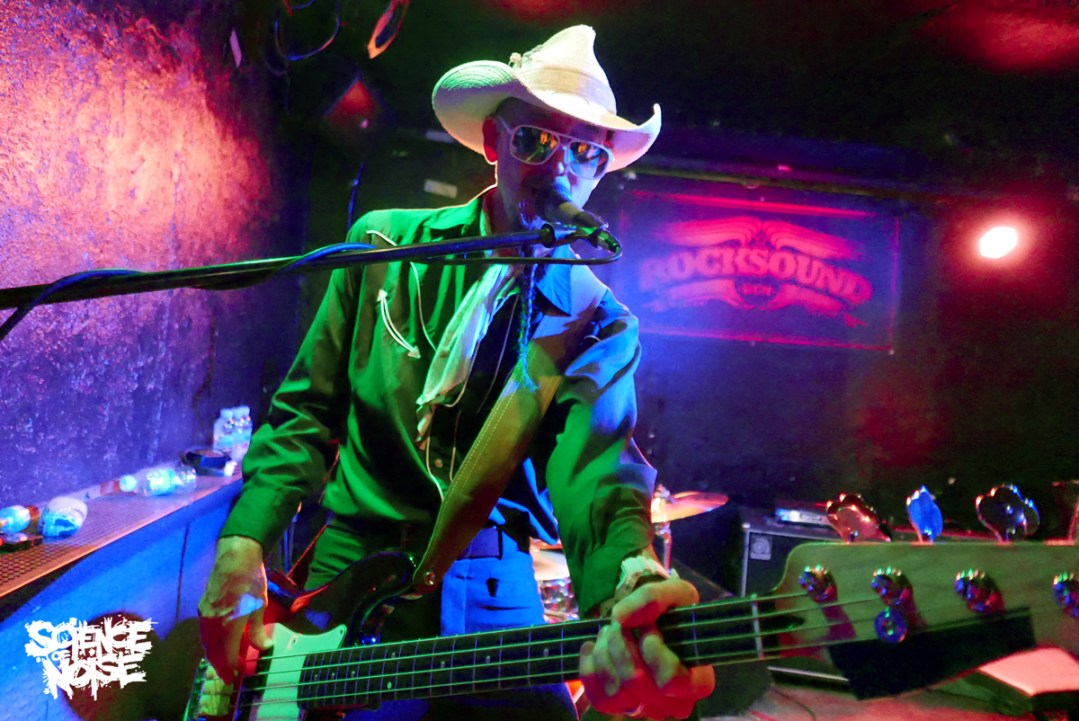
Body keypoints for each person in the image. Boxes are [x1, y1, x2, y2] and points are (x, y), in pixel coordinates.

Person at [197, 25, 715, 721]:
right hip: (350, 563)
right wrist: (243, 542)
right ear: (494, 140)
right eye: (537, 140)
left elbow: (597, 469)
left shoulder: (599, 319)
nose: (560, 168)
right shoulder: (384, 243)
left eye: (585, 152)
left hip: (492, 580)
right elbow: (306, 413)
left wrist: (630, 580)